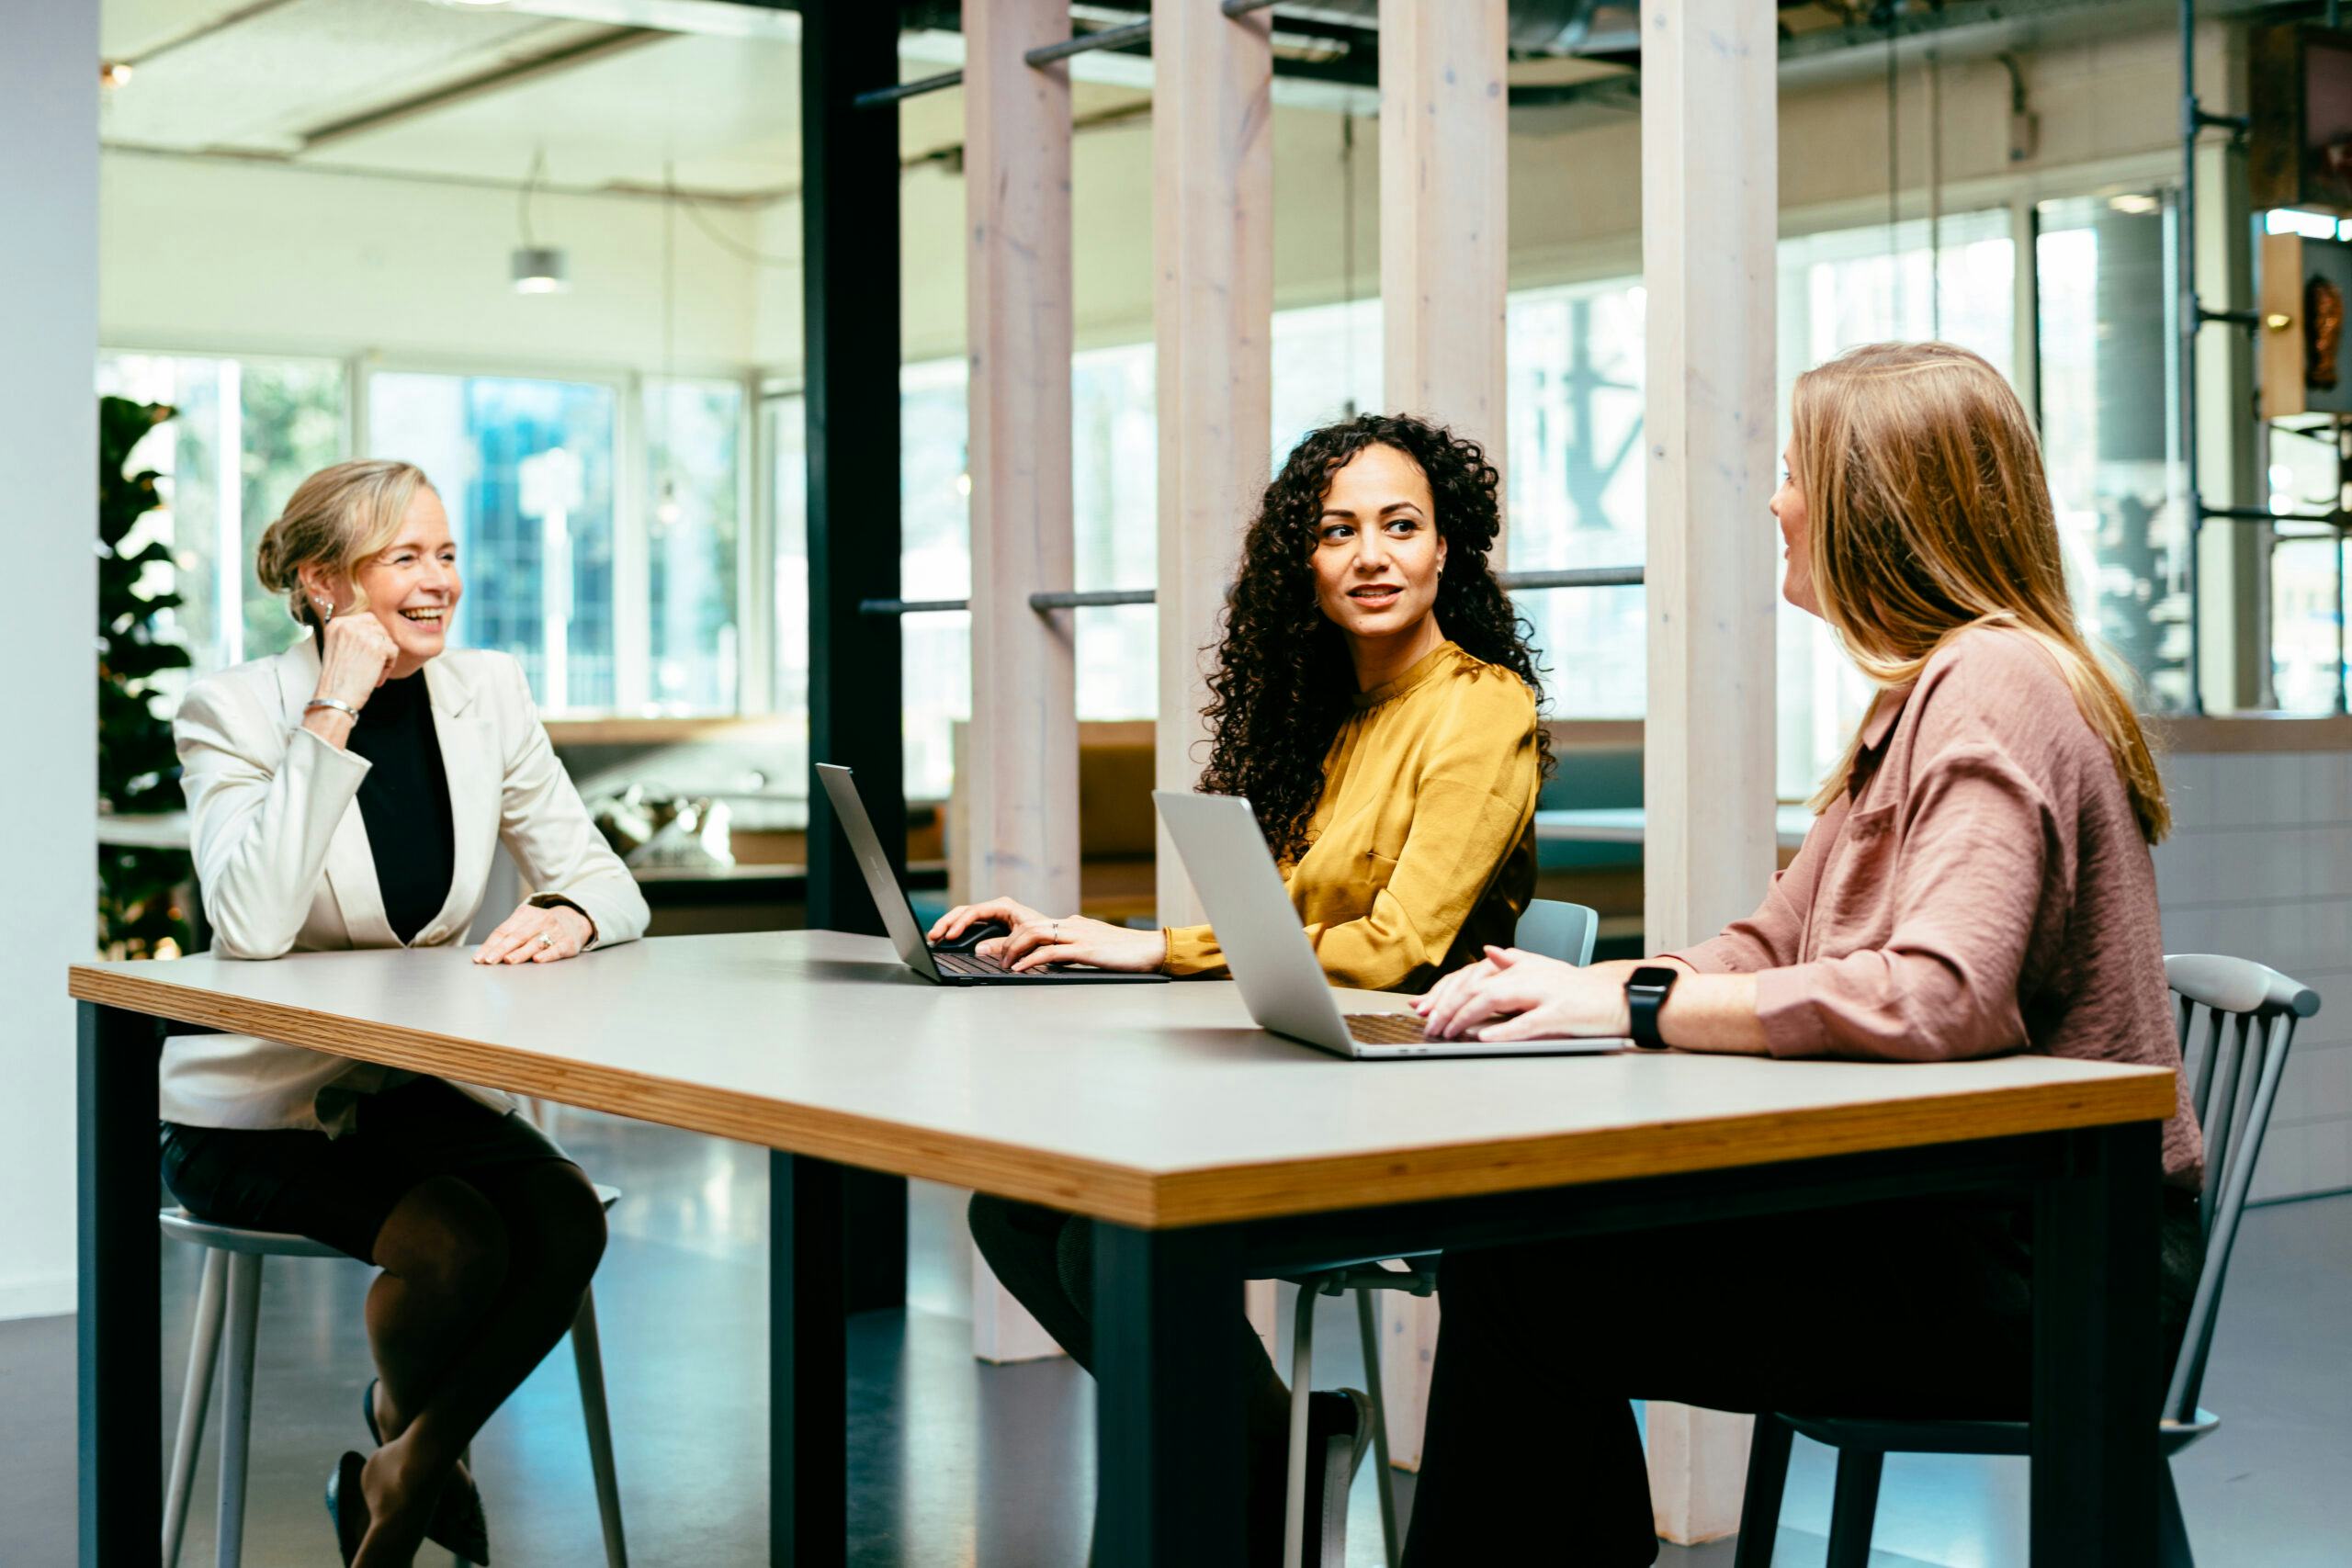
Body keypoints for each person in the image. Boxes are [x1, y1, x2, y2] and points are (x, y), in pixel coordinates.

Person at [1401, 342, 2205, 1564]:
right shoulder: (1919, 696)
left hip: (2054, 1271)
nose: (1777, 501)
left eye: (1794, 472)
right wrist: (1590, 986)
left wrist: (1649, 1006)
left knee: (1523, 1280)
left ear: (1872, 505)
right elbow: (1772, 939)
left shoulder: (1991, 682)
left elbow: (1939, 995)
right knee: (1523, 1262)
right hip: (1970, 1224)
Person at [933, 412, 1553, 1563]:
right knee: (1015, 1211)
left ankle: (1245, 1471)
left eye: (1399, 526)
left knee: (1097, 1242)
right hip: (1307, 1063)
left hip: (1423, 1089)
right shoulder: (1322, 719)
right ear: (1302, 565)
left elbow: (1398, 947)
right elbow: (1274, 934)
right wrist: (1109, 939)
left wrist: (1152, 950)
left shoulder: (1482, 707)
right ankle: (1274, 1447)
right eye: (1337, 531)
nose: (1370, 555)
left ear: (1444, 550)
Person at [160, 459, 650, 1567]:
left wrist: (569, 912)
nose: (437, 584)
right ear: (327, 585)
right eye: (403, 560)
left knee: (570, 1220)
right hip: (258, 1103)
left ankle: (407, 1460)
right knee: (455, 1244)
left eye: (445, 555)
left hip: (405, 1086)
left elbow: (606, 878)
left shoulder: (489, 696)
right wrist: (333, 709)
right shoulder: (235, 709)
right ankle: (414, 1467)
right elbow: (250, 921)